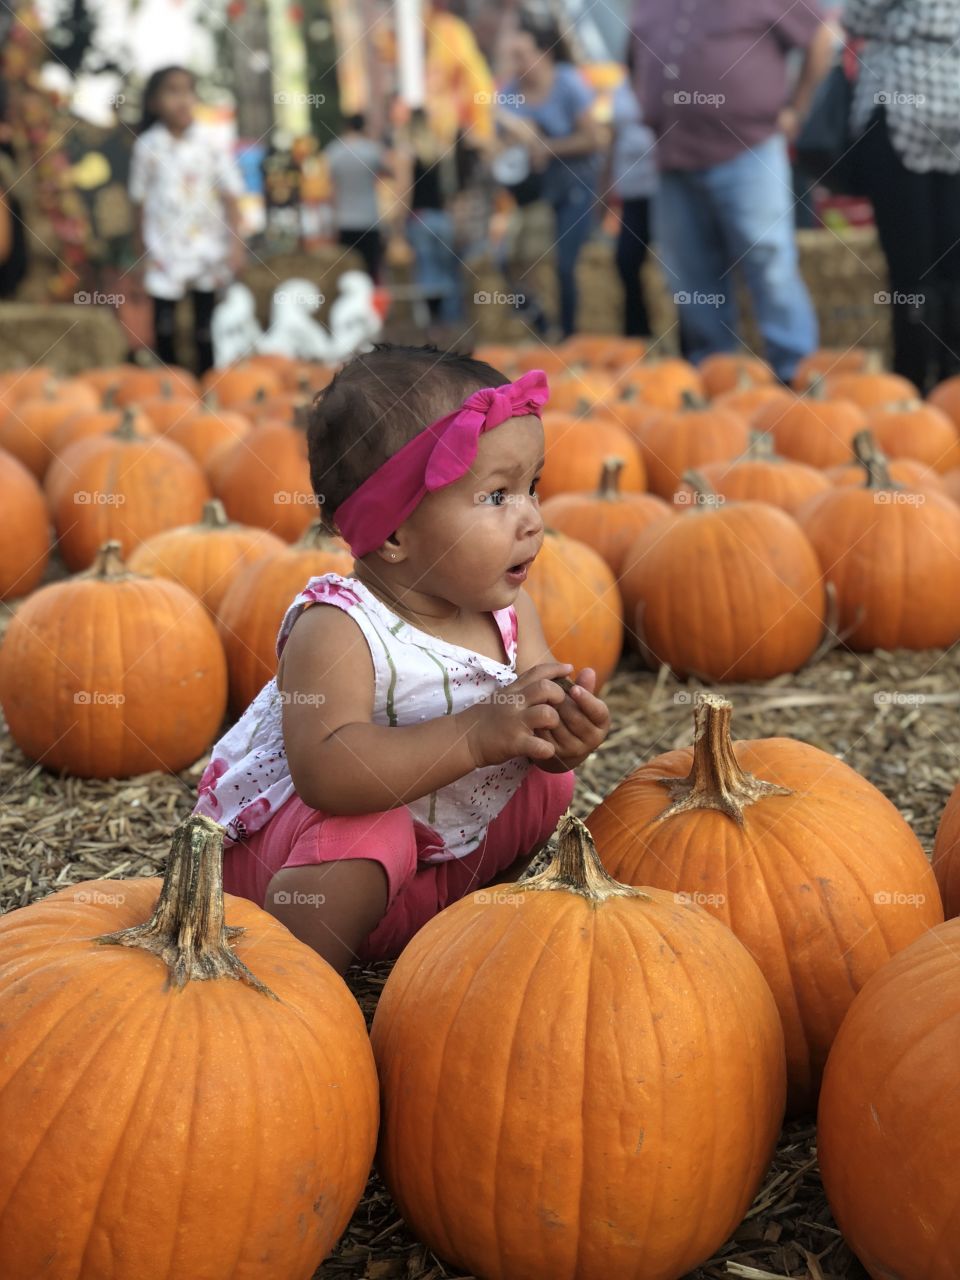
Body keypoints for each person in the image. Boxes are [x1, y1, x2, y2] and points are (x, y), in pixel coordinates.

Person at [193, 344, 610, 973]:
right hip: (298, 870)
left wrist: (563, 733)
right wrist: (474, 736)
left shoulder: (509, 613)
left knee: (547, 786)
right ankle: (299, 983)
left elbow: (531, 730)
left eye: (532, 487)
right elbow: (326, 773)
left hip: (427, 869)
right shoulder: (340, 627)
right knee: (370, 830)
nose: (531, 519)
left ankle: (471, 929)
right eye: (496, 496)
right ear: (393, 533)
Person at [630, 2, 835, 382]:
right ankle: (715, 375)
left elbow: (822, 36)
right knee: (690, 275)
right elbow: (633, 56)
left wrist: (798, 108)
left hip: (748, 149)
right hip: (673, 155)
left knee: (768, 260)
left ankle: (796, 373)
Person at [846, 0, 960, 394]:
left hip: (903, 103)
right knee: (951, 268)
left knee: (911, 272)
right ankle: (950, 382)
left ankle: (912, 384)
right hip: (954, 102)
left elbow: (855, 17)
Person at [128, 66, 246, 376]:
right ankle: (172, 387)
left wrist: (236, 246)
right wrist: (140, 254)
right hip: (163, 252)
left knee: (205, 328)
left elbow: (231, 197)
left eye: (188, 91)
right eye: (172, 91)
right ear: (153, 102)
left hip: (207, 250)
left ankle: (207, 385)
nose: (182, 100)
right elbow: (138, 204)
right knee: (164, 327)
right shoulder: (147, 147)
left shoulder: (211, 142)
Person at [498, 20, 603, 338]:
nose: (517, 63)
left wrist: (548, 148)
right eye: (513, 55)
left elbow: (595, 138)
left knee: (564, 265)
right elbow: (505, 142)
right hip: (535, 192)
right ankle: (541, 324)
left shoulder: (568, 83)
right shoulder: (509, 93)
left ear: (545, 54)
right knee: (507, 259)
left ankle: (569, 336)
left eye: (523, 54)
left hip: (576, 185)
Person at [604, 55, 658, 338]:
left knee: (673, 267)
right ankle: (638, 332)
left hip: (663, 189)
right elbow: (613, 138)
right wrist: (605, 185)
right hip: (633, 191)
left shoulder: (668, 82)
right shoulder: (621, 88)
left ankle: (687, 340)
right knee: (626, 259)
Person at [396, 108, 463, 325]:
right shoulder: (441, 150)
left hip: (419, 217)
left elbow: (405, 190)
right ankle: (450, 324)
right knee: (447, 273)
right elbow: (450, 190)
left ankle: (430, 327)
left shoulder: (407, 151)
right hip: (442, 218)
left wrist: (397, 223)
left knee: (426, 271)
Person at [325, 114, 391, 282]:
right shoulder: (373, 150)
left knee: (348, 272)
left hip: (344, 220)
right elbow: (389, 173)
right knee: (371, 272)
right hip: (369, 219)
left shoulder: (334, 151)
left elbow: (330, 187)